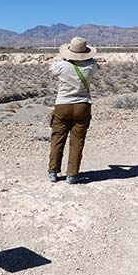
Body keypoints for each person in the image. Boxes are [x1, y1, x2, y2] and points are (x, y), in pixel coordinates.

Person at [48, 37, 98, 184]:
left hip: (62, 105)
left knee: (57, 139)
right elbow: (95, 65)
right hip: (83, 106)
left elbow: (52, 70)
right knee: (77, 141)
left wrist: (63, 58)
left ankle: (53, 171)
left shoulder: (62, 65)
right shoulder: (91, 66)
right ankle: (72, 174)